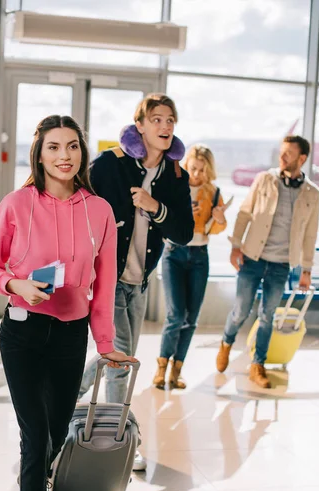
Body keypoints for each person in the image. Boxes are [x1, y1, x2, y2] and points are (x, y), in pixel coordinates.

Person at [0, 115, 135, 491]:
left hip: (71, 336)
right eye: (53, 147)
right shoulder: (16, 204)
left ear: (81, 153)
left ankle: (40, 488)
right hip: (23, 332)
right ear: (39, 155)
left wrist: (106, 345)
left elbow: (104, 285)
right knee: (33, 432)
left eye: (71, 146)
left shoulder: (101, 211)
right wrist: (14, 283)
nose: (63, 155)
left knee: (55, 427)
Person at [78, 93, 194, 471]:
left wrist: (154, 206)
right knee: (121, 359)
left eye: (170, 120)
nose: (165, 126)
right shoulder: (112, 165)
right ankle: (119, 440)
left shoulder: (176, 175)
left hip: (139, 280)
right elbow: (82, 209)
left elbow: (184, 232)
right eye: (157, 119)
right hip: (106, 278)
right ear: (140, 125)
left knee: (118, 357)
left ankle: (63, 394)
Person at [216, 135, 319, 388]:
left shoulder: (312, 194)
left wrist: (306, 269)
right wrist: (235, 245)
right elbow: (245, 213)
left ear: (302, 158)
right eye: (281, 152)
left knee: (268, 316)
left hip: (282, 264)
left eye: (288, 153)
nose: (282, 157)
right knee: (240, 311)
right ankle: (226, 342)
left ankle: (257, 365)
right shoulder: (265, 179)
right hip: (252, 257)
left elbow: (310, 234)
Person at [153, 144, 227, 390]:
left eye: (201, 170)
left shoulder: (214, 193)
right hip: (174, 252)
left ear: (209, 170)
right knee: (175, 315)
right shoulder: (177, 188)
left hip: (199, 255)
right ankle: (161, 368)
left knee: (191, 318)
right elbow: (162, 217)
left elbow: (216, 229)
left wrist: (219, 219)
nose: (196, 174)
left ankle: (176, 371)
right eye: (193, 168)